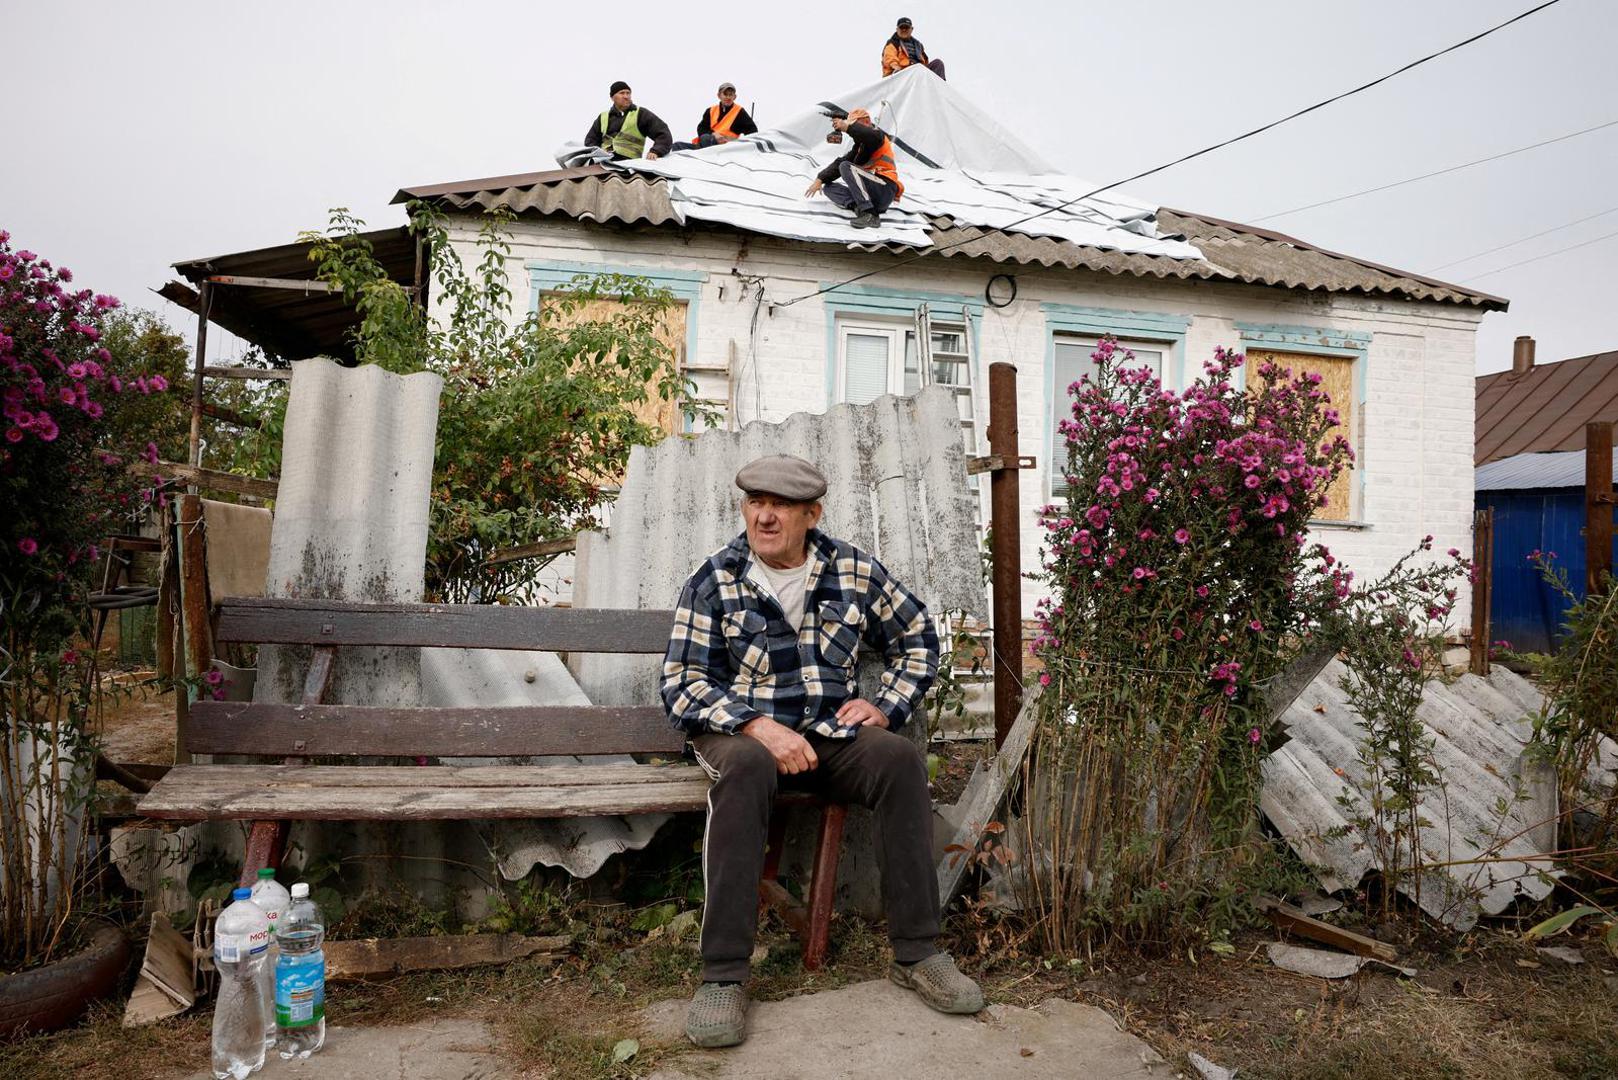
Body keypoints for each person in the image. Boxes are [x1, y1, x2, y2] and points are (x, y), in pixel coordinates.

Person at [663, 454, 985, 1049]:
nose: (764, 516)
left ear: (811, 514)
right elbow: (682, 682)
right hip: (741, 736)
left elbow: (919, 640)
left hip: (826, 733)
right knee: (746, 769)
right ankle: (724, 975)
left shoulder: (854, 572)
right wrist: (757, 725)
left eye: (780, 505)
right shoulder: (716, 579)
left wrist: (886, 706)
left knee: (898, 759)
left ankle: (917, 954)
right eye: (755, 502)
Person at [805, 109, 904, 229]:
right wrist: (820, 179)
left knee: (846, 167)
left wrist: (848, 127)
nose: (852, 127)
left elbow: (866, 134)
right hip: (871, 196)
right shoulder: (860, 148)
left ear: (867, 122)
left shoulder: (877, 136)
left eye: (855, 123)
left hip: (885, 189)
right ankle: (860, 209)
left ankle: (870, 215)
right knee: (829, 188)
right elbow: (840, 162)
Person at [583, 80, 672, 161]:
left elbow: (663, 133)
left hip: (629, 164)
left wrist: (656, 151)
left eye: (628, 93)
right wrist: (596, 154)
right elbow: (590, 141)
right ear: (612, 97)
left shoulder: (641, 114)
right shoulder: (603, 117)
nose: (626, 96)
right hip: (603, 162)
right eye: (622, 93)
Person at [672, 82, 759, 152]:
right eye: (725, 94)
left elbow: (753, 132)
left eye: (730, 94)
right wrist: (714, 134)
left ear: (734, 97)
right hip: (706, 144)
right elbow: (701, 129)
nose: (728, 97)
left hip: (725, 149)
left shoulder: (740, 112)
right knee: (676, 146)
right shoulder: (710, 110)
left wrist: (732, 141)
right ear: (719, 95)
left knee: (706, 138)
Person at [881, 16, 946, 79]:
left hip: (918, 72)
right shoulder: (893, 43)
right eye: (901, 27)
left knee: (938, 63)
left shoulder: (918, 45)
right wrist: (896, 67)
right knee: (916, 69)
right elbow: (889, 57)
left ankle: (939, 87)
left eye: (906, 27)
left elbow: (925, 61)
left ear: (911, 29)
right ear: (897, 29)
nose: (904, 30)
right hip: (902, 72)